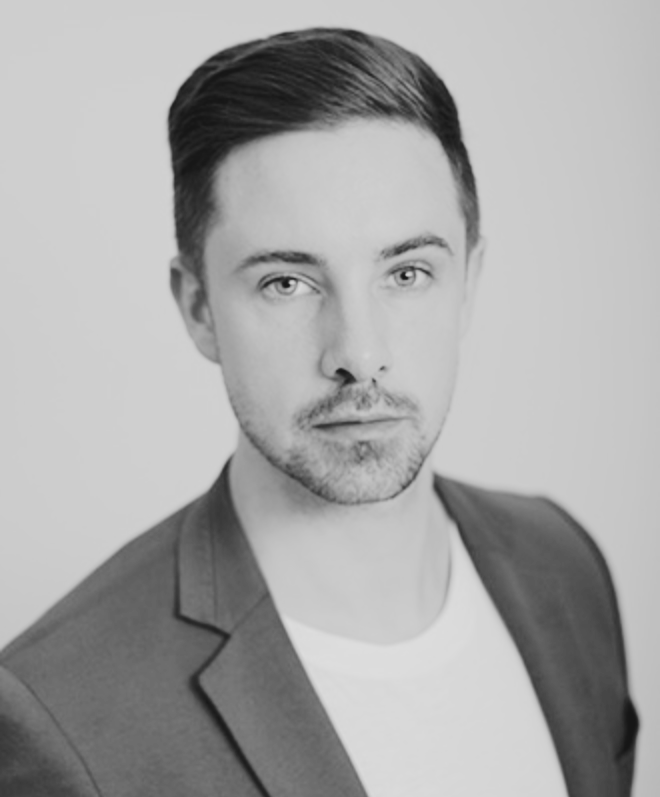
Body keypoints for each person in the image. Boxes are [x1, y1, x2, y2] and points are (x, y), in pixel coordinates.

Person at [0, 27, 638, 797]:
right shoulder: (62, 715)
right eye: (286, 283)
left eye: (407, 272)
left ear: (467, 281)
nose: (358, 351)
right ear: (198, 307)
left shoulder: (565, 564)